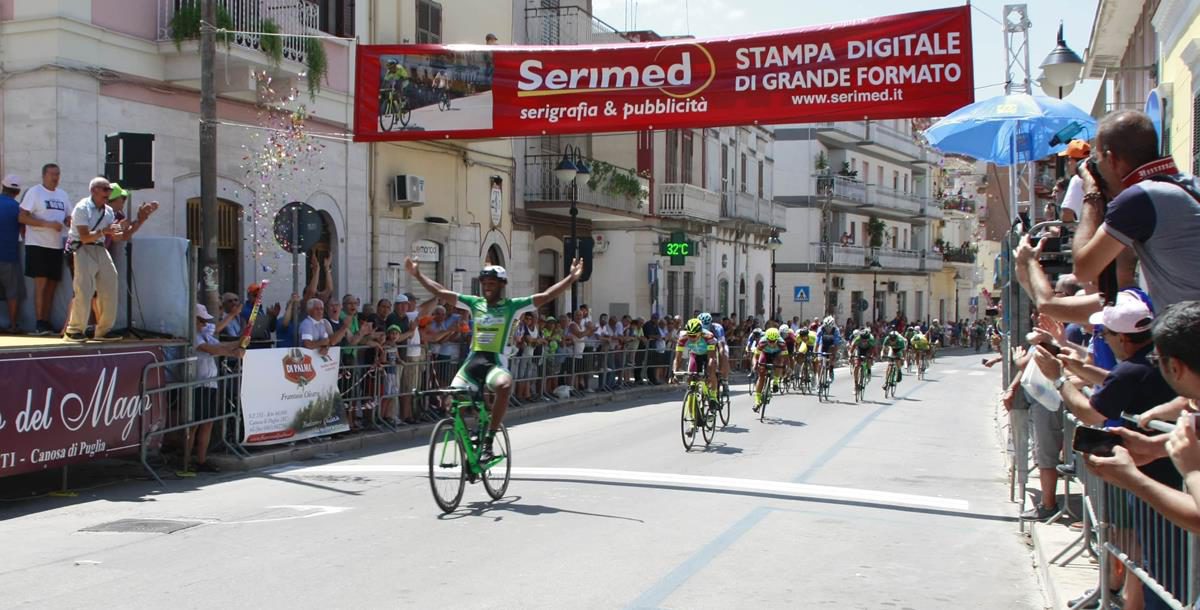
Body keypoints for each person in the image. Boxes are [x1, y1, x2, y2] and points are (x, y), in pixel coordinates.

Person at [405, 257, 583, 463]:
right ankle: (468, 452)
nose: (487, 288)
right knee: (453, 401)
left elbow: (545, 296)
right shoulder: (474, 303)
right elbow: (441, 291)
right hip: (472, 361)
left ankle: (488, 440)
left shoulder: (512, 306)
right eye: (484, 284)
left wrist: (570, 278)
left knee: (505, 385)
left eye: (491, 284)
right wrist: (418, 274)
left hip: (495, 362)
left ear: (502, 285)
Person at [1073, 110, 1200, 308]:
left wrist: (1091, 195)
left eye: (1097, 160)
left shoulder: (1140, 199)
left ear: (1111, 159)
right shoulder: (1188, 183)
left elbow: (1083, 270)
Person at [187, 304, 245, 473]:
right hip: (197, 384)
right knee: (193, 425)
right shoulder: (193, 336)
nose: (205, 324)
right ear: (193, 319)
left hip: (210, 383)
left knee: (207, 424)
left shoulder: (204, 333)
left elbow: (221, 345)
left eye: (205, 321)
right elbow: (212, 350)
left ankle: (201, 461)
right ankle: (186, 461)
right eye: (201, 320)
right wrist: (233, 352)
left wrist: (239, 342)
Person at [63, 177, 121, 343]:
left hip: (100, 248)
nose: (108, 193)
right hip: (82, 247)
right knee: (84, 289)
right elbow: (85, 236)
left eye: (109, 190)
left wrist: (140, 219)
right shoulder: (82, 208)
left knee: (110, 285)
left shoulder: (108, 211)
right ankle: (74, 330)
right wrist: (105, 231)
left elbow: (117, 236)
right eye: (105, 189)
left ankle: (103, 330)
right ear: (94, 190)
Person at [18, 163, 69, 335]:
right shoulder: (35, 192)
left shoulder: (63, 195)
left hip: (56, 245)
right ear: (44, 175)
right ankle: (39, 321)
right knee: (41, 283)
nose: (55, 177)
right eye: (52, 174)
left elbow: (68, 217)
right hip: (37, 244)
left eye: (58, 174)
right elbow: (22, 217)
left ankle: (47, 320)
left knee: (52, 285)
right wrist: (46, 224)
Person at [673, 318, 720, 418]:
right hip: (695, 354)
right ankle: (692, 419)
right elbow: (677, 358)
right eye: (690, 335)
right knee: (691, 380)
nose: (692, 338)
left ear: (700, 333)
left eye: (694, 336)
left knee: (711, 371)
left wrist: (709, 371)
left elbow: (711, 358)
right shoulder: (682, 337)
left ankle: (713, 396)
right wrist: (675, 373)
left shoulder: (708, 336)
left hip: (708, 355)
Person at [0, 175, 23, 332]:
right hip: (9, 254)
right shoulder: (17, 207)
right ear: (17, 191)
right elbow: (24, 229)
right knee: (12, 292)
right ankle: (13, 325)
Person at [750, 327, 786, 411]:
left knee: (780, 362)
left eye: (774, 341)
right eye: (770, 341)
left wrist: (785, 367)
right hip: (765, 354)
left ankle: (776, 381)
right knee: (761, 375)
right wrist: (755, 364)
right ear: (767, 338)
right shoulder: (762, 342)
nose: (772, 343)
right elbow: (755, 357)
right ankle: (757, 401)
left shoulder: (782, 343)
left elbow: (786, 358)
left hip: (777, 354)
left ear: (777, 339)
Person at [1058, 140, 1089, 224]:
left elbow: (1066, 214)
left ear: (1073, 161)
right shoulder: (1101, 175)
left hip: (1088, 231)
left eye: (1068, 159)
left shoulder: (1077, 179)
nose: (1067, 164)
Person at [815, 315, 842, 385]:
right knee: (819, 362)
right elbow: (817, 342)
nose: (827, 329)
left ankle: (831, 369)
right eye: (826, 327)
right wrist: (815, 353)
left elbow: (836, 344)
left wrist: (834, 354)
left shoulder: (836, 330)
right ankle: (819, 381)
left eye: (829, 327)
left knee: (832, 355)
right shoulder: (821, 329)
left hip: (831, 345)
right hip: (823, 344)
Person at [848, 325, 876, 389]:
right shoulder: (857, 338)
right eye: (863, 339)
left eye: (866, 340)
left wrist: (872, 357)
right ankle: (855, 384)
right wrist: (850, 356)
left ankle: (869, 370)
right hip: (859, 349)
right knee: (856, 366)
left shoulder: (871, 339)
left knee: (869, 359)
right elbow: (851, 349)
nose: (864, 341)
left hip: (868, 349)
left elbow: (874, 350)